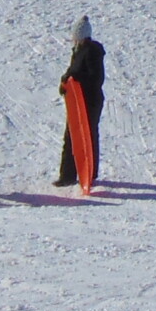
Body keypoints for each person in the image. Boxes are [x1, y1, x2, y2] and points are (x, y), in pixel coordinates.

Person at [55, 16, 105, 187]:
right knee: (71, 136)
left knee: (86, 136)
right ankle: (68, 174)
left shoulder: (92, 52)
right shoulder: (77, 51)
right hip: (77, 102)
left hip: (89, 102)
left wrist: (75, 78)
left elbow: (95, 78)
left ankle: (88, 172)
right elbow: (72, 72)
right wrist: (66, 82)